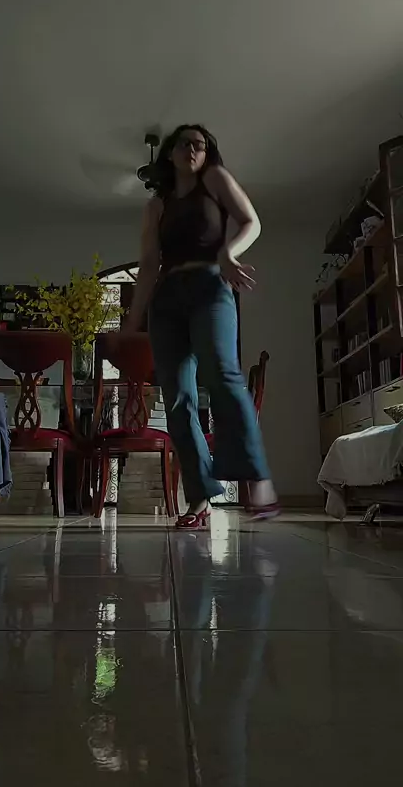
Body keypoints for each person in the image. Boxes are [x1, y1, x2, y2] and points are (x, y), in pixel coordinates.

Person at [120, 124, 278, 527]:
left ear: (207, 153)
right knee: (177, 401)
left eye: (200, 145)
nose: (192, 149)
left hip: (210, 287)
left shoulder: (215, 180)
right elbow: (149, 264)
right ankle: (199, 498)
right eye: (184, 143)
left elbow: (251, 222)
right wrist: (133, 318)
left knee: (222, 373)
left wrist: (227, 252)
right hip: (167, 301)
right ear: (170, 153)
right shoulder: (156, 206)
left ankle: (255, 476)